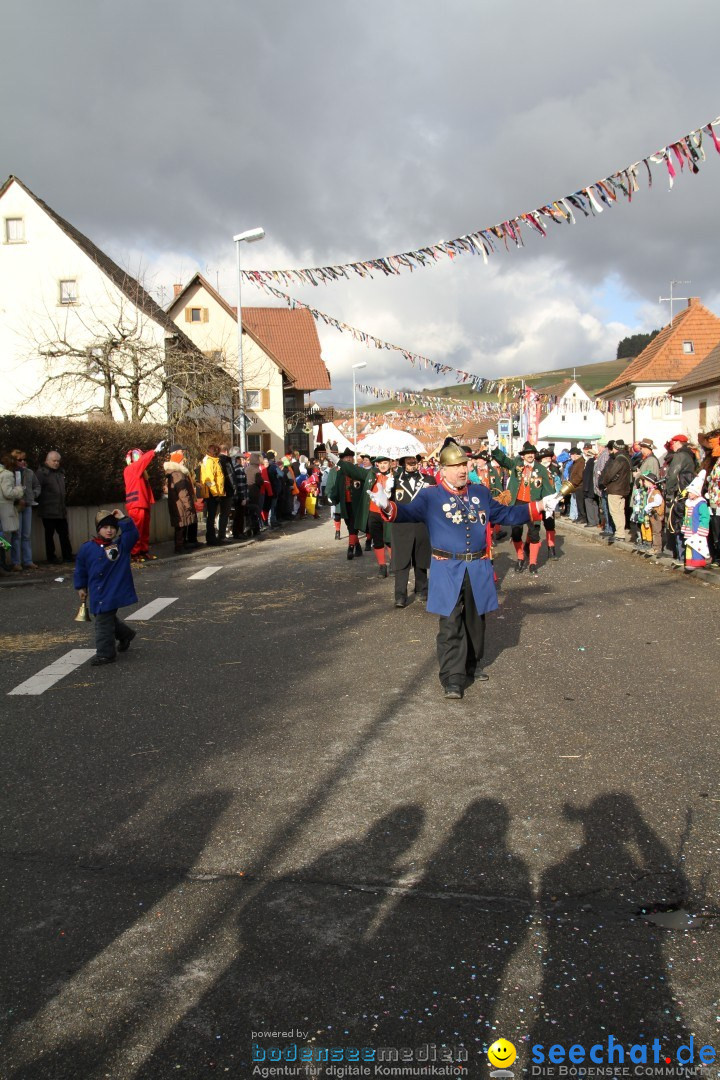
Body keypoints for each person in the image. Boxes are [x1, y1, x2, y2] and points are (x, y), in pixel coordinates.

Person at [375, 438, 561, 699]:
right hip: (446, 568)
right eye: (456, 466)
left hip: (478, 566)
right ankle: (452, 677)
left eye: (465, 464)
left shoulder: (480, 493)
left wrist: (541, 506)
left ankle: (472, 665)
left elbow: (506, 515)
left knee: (476, 621)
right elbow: (405, 513)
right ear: (443, 470)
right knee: (450, 624)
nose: (463, 470)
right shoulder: (430, 496)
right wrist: (387, 506)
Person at [73, 510, 139, 666]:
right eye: (105, 527)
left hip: (112, 592)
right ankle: (125, 634)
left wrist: (123, 519)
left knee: (102, 622)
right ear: (98, 529)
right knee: (104, 617)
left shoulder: (120, 546)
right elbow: (81, 568)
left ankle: (105, 654)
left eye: (113, 527)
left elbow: (133, 534)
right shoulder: (87, 548)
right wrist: (81, 586)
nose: (109, 530)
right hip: (97, 592)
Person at [489, 436, 555, 574]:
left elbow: (548, 489)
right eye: (527, 453)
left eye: (532, 453)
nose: (530, 455)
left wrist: (551, 503)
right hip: (517, 504)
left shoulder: (541, 469)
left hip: (534, 504)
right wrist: (494, 447)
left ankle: (532, 563)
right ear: (523, 455)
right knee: (516, 533)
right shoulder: (516, 465)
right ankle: (520, 558)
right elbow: (503, 460)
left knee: (534, 533)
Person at [336, 452, 395, 575]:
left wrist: (392, 488)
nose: (383, 466)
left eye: (385, 463)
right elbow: (353, 471)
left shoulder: (396, 476)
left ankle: (393, 564)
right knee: (378, 540)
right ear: (376, 464)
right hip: (373, 513)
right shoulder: (371, 474)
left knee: (390, 539)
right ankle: (382, 566)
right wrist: (339, 461)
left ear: (390, 463)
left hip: (389, 514)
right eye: (380, 463)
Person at [389, 454, 434, 607]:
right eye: (409, 462)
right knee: (401, 561)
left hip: (421, 525)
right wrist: (387, 491)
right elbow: (387, 505)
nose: (412, 464)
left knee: (421, 558)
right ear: (403, 463)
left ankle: (421, 589)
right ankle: (400, 595)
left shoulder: (428, 480)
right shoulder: (394, 480)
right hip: (402, 525)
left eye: (414, 461)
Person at [123, 440, 165, 561]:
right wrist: (154, 451)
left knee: (144, 530)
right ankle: (135, 554)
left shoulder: (137, 471)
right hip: (137, 505)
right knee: (137, 530)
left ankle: (143, 551)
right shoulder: (131, 469)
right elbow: (142, 462)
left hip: (141, 504)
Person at [36, 449, 74, 564]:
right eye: (54, 461)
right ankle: (51, 557)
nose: (56, 463)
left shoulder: (60, 473)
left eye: (58, 461)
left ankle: (67, 556)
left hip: (60, 510)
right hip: (48, 510)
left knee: (64, 534)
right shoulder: (41, 473)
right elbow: (37, 489)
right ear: (47, 461)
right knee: (49, 535)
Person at [7, 449, 41, 570]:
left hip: (27, 505)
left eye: (23, 459)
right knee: (17, 534)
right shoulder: (9, 473)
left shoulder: (29, 472)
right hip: (15, 506)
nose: (22, 462)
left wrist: (33, 494)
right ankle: (16, 562)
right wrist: (16, 500)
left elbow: (37, 486)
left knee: (26, 534)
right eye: (19, 460)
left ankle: (27, 560)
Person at [163, 446, 198, 554]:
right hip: (180, 504)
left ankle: (181, 545)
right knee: (181, 526)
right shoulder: (178, 474)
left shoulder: (172, 473)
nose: (184, 462)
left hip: (176, 503)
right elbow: (183, 492)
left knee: (180, 526)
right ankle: (179, 546)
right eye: (182, 460)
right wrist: (189, 504)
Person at [599, 438, 632, 543]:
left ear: (615, 448)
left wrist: (603, 483)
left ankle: (619, 534)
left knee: (615, 512)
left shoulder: (618, 459)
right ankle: (620, 532)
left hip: (615, 489)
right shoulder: (627, 458)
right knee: (620, 512)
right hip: (624, 488)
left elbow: (610, 473)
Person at [0, 455, 25, 574]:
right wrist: (19, 490)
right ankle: (2, 565)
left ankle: (3, 564)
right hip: (4, 510)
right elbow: (8, 493)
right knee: (3, 539)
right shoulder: (7, 474)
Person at [681, 471, 710, 572]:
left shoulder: (701, 503)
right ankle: (689, 561)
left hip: (697, 529)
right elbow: (686, 516)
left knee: (697, 546)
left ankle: (697, 562)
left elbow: (705, 517)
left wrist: (703, 528)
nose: (689, 494)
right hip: (690, 528)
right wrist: (685, 525)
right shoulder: (689, 503)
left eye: (691, 492)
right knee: (689, 546)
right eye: (689, 492)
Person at [200, 444, 225, 544]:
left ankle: (211, 537)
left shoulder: (212, 461)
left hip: (213, 492)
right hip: (212, 493)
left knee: (212, 516)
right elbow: (209, 479)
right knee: (211, 517)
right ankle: (211, 538)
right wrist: (215, 493)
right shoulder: (210, 462)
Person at [641, 474, 665, 562]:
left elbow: (658, 502)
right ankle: (654, 546)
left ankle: (657, 547)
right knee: (654, 530)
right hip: (652, 514)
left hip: (656, 514)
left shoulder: (656, 492)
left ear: (651, 482)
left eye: (646, 481)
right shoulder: (650, 491)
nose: (644, 483)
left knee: (656, 531)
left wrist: (649, 505)